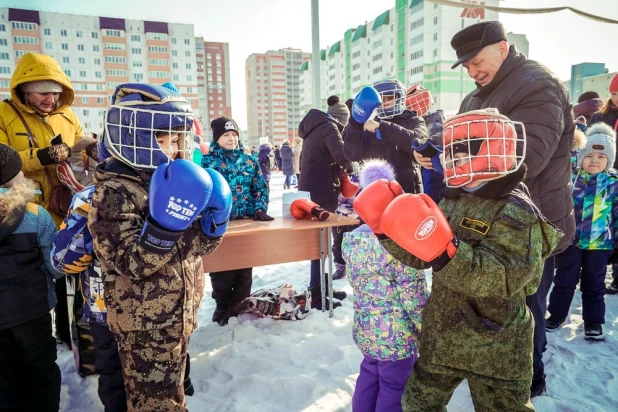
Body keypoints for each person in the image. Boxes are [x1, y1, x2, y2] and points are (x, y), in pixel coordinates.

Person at [354, 109, 562, 411]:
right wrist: (384, 230)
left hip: (495, 347)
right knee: (415, 405)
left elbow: (507, 278)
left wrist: (446, 252)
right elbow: (420, 257)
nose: (451, 162)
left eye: (460, 155)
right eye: (451, 155)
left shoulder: (518, 212)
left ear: (493, 153)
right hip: (444, 337)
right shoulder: (454, 198)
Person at [412, 21, 575, 397]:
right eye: (466, 66)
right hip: (483, 219)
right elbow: (459, 138)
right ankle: (487, 369)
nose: (472, 71)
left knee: (522, 306)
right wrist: (436, 150)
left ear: (503, 48)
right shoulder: (476, 96)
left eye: (477, 61)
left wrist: (456, 168)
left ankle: (527, 383)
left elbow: (525, 159)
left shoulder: (537, 86)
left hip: (530, 223)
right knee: (486, 301)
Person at [88, 83, 230, 411]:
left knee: (170, 393)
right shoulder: (115, 192)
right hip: (144, 324)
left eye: (179, 138)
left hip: (179, 312)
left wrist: (214, 225)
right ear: (135, 138)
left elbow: (195, 249)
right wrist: (163, 227)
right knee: (156, 404)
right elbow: (131, 263)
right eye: (164, 139)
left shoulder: (177, 176)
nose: (175, 147)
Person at [0, 53, 86, 347]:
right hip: (24, 213)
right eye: (43, 92)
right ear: (24, 88)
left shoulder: (68, 115)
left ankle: (69, 330)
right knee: (31, 275)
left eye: (55, 92)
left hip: (66, 208)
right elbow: (2, 162)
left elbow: (79, 148)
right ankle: (34, 332)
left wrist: (91, 150)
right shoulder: (3, 114)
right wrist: (42, 157)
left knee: (68, 270)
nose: (51, 99)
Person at [343, 159, 428, 412]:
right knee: (394, 388)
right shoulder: (401, 246)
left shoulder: (354, 242)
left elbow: (355, 283)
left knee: (369, 378)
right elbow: (414, 296)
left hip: (367, 330)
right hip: (397, 337)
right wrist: (426, 328)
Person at [0, 144, 62, 412]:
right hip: (32, 311)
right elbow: (56, 266)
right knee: (41, 372)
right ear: (18, 175)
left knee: (4, 378)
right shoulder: (36, 215)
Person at [546, 123, 618, 341]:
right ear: (580, 157)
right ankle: (557, 314)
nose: (594, 160)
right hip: (572, 242)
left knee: (594, 284)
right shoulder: (571, 180)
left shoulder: (614, 184)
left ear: (609, 161)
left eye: (601, 157)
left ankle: (593, 321)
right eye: (589, 155)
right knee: (564, 280)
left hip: (600, 244)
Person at [202, 117, 273, 326]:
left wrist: (259, 208)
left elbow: (260, 188)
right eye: (226, 135)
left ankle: (238, 309)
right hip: (218, 226)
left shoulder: (249, 160)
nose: (231, 139)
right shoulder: (208, 163)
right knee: (222, 274)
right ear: (217, 138)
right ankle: (222, 307)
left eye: (234, 134)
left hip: (245, 224)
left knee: (244, 272)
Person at [298, 95, 354, 308]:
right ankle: (318, 292)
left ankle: (321, 286)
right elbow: (342, 156)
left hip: (311, 190)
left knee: (319, 244)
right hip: (321, 191)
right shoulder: (330, 127)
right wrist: (353, 166)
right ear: (342, 120)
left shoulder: (314, 126)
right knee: (319, 245)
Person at [344, 79, 428, 195]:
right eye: (382, 99)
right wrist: (355, 124)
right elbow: (352, 155)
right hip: (378, 193)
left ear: (399, 98)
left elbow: (419, 142)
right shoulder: (370, 126)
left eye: (390, 98)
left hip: (407, 192)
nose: (385, 102)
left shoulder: (414, 121)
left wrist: (383, 127)